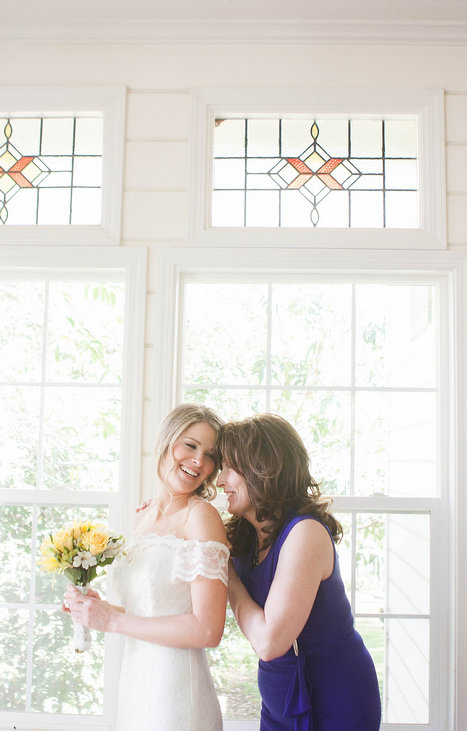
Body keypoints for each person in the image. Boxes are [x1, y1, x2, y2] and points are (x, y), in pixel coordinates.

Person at [64, 403, 229, 731]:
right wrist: (98, 608)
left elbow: (208, 630)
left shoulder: (201, 516)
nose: (199, 461)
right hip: (137, 684)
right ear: (166, 441)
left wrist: (113, 620)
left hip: (176, 691)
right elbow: (151, 608)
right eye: (190, 445)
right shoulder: (144, 516)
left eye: (210, 455)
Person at [217, 413, 381, 731]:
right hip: (280, 691)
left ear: (262, 468)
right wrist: (161, 506)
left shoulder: (305, 533)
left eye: (229, 468)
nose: (220, 480)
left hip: (334, 695)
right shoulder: (246, 534)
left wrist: (228, 574)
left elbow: (268, 642)